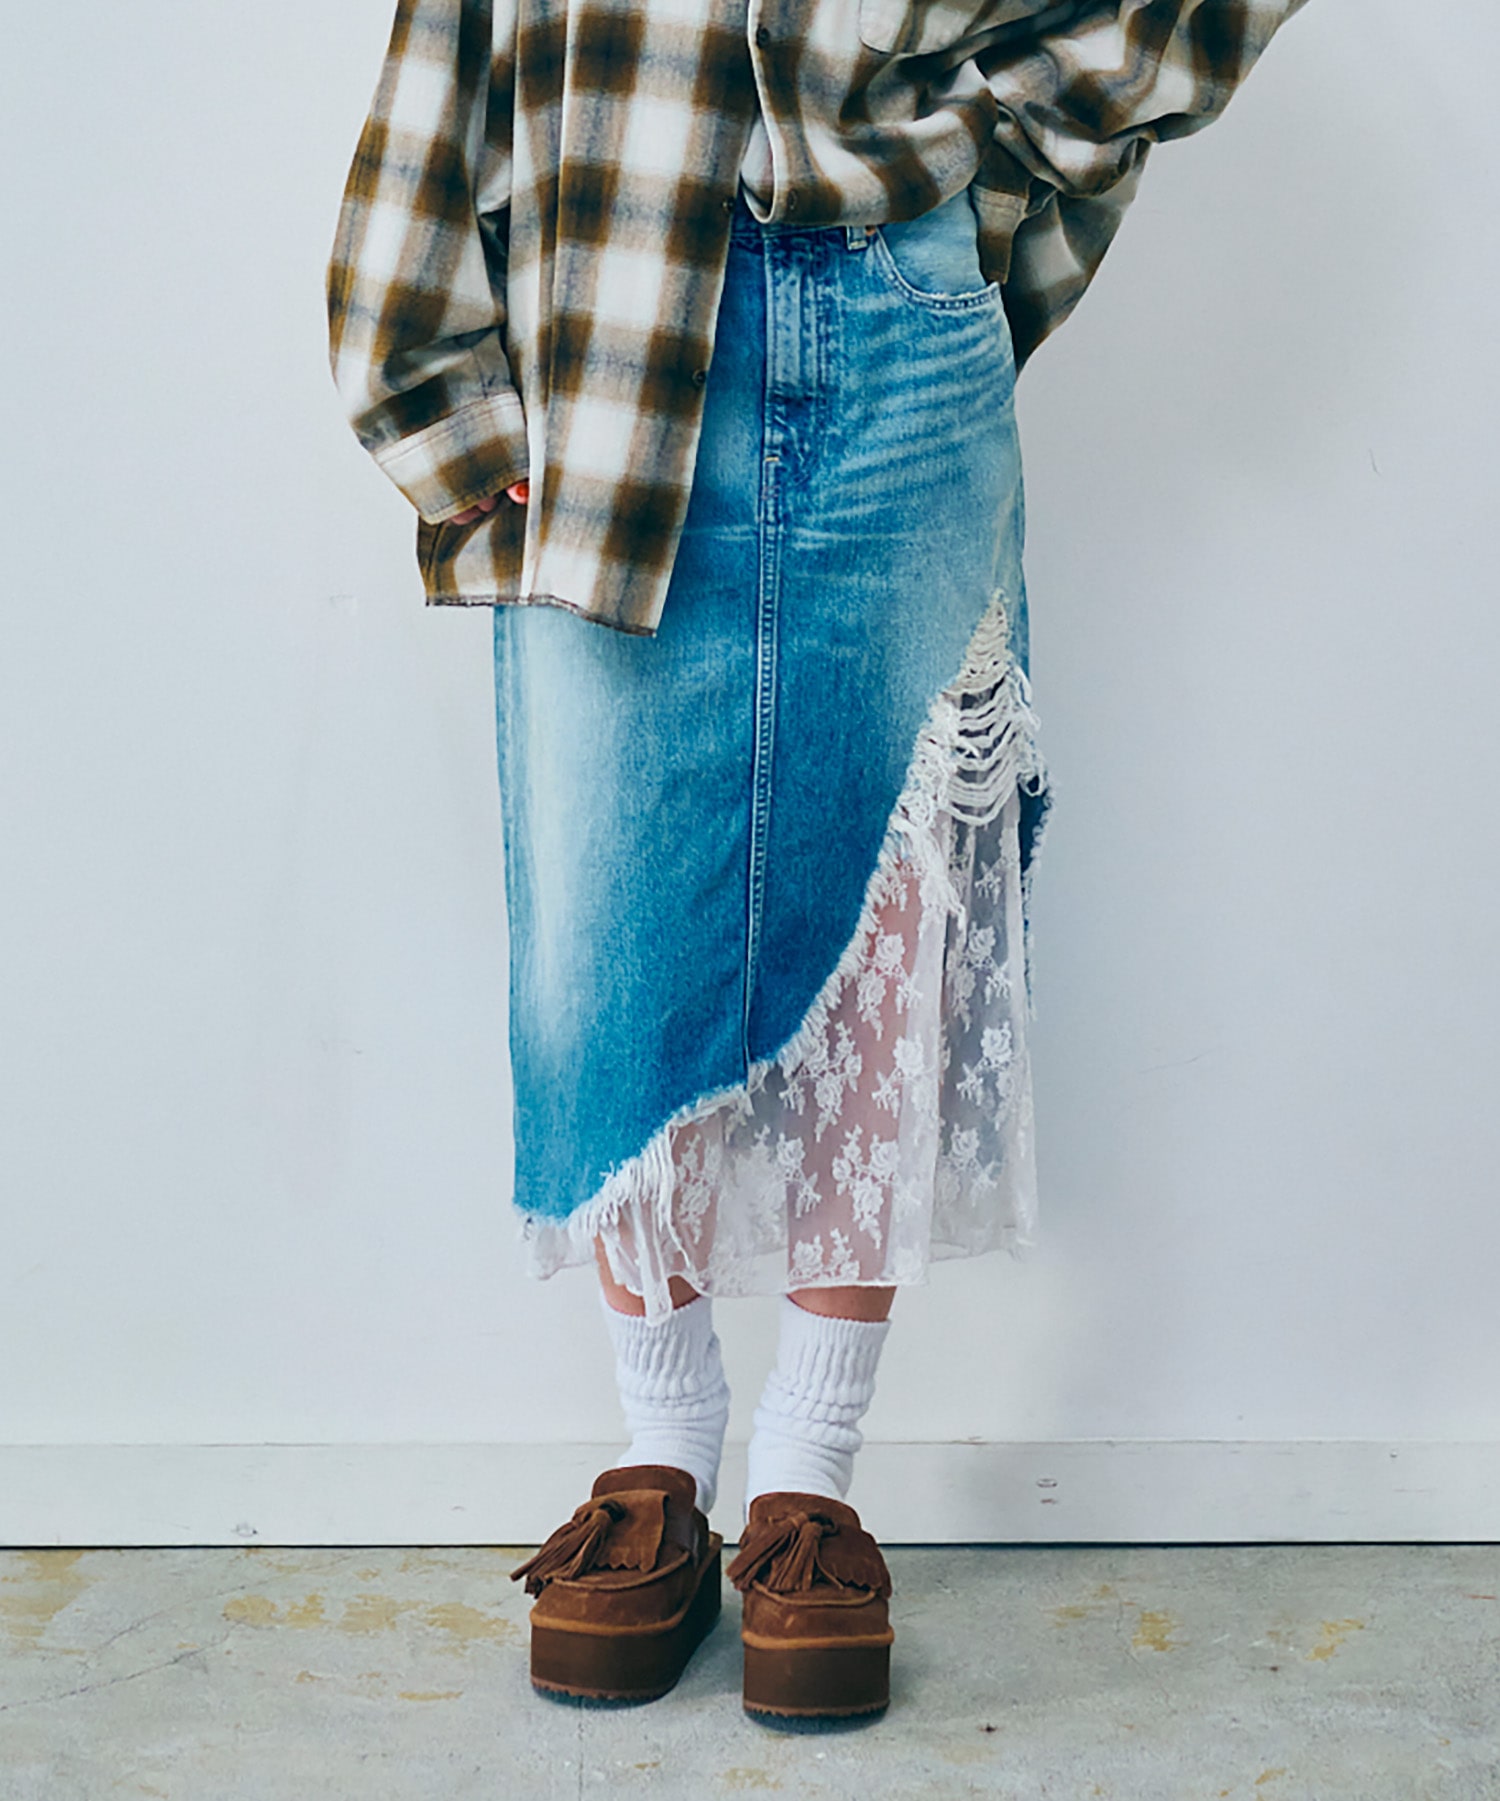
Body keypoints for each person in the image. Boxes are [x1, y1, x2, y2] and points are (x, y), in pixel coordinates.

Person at [328, 0, 1307, 1722]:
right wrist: (433, 388)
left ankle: (810, 1471)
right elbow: (453, 53)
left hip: (900, 321)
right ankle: (663, 1443)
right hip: (603, 337)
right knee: (608, 910)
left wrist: (984, 154)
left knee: (892, 884)